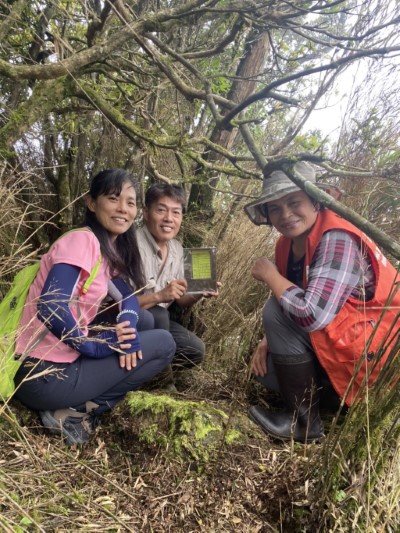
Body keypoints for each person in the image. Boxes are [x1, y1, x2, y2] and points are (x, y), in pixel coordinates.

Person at [13, 169, 176, 445]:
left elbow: (128, 298)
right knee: (164, 343)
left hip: (52, 362)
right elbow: (51, 304)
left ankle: (75, 399)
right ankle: (76, 411)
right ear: (91, 203)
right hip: (42, 375)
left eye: (130, 202)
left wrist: (127, 329)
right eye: (113, 199)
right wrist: (92, 346)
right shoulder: (82, 241)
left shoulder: (105, 250)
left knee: (145, 321)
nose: (123, 209)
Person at [243, 161, 400, 443]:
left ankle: (304, 424)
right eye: (275, 208)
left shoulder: (336, 237)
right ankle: (337, 402)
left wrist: (270, 275)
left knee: (274, 310)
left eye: (294, 202)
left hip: (376, 354)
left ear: (317, 200)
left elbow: (310, 313)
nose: (286, 215)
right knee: (266, 374)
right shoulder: (286, 243)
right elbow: (297, 295)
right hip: (346, 340)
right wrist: (267, 341)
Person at [136, 183, 219, 386]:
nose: (169, 219)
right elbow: (117, 304)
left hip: (159, 326)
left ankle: (142, 372)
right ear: (146, 213)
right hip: (129, 323)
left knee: (194, 350)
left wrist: (200, 292)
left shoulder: (177, 249)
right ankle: (162, 384)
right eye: (161, 210)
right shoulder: (130, 243)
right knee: (158, 313)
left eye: (176, 212)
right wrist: (159, 296)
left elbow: (181, 300)